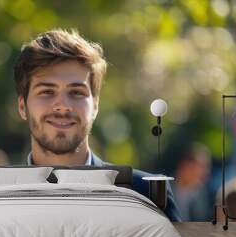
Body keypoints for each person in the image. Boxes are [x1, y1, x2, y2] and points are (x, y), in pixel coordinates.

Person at [14, 28, 181, 222]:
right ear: (22, 106)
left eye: (76, 92)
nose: (62, 106)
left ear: (95, 106)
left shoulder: (149, 195)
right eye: (47, 92)